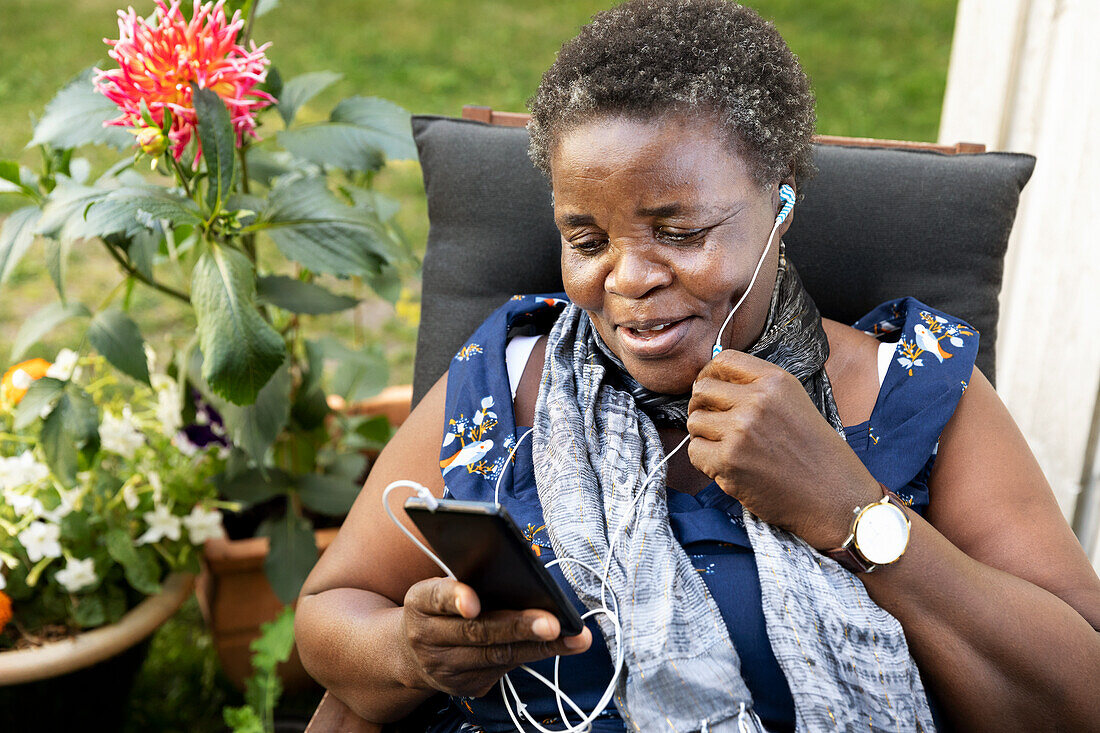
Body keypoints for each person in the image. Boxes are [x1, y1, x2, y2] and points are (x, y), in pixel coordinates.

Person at [294, 1, 1100, 731]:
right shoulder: (506, 380)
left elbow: (1078, 691)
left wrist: (851, 512)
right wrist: (408, 650)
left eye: (678, 233)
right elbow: (331, 610)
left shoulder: (914, 390)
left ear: (780, 205)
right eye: (586, 240)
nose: (628, 278)